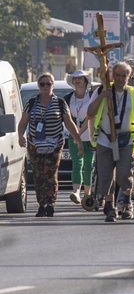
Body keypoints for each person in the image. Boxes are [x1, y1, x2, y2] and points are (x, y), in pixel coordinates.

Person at [88, 62, 134, 222]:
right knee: (105, 174)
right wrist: (103, 96)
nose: (121, 79)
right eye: (118, 75)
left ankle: (126, 202)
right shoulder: (102, 90)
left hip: (125, 139)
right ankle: (109, 205)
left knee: (124, 172)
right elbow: (90, 113)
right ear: (112, 76)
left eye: (124, 76)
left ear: (129, 77)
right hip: (105, 139)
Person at [17, 73, 83, 217]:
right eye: (42, 84)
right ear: (39, 86)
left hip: (55, 145)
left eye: (48, 84)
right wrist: (20, 136)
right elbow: (23, 122)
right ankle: (42, 204)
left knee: (51, 174)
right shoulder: (32, 103)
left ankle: (50, 203)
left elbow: (69, 123)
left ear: (52, 85)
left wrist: (78, 140)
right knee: (38, 175)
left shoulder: (60, 103)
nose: (45, 87)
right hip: (35, 145)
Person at [63, 70, 95, 205]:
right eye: (75, 79)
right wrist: (75, 134)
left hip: (90, 136)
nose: (77, 81)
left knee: (89, 165)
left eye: (80, 79)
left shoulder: (92, 97)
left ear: (86, 81)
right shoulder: (68, 98)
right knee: (77, 163)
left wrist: (80, 133)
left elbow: (92, 116)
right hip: (74, 136)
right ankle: (76, 192)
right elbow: (65, 118)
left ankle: (87, 194)